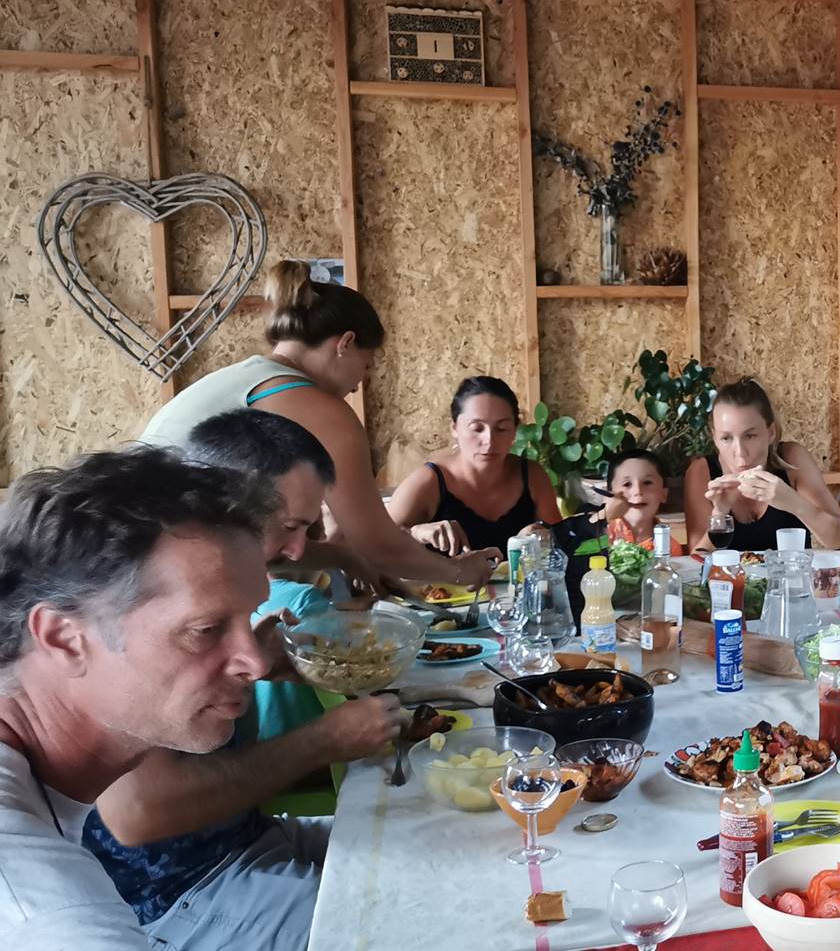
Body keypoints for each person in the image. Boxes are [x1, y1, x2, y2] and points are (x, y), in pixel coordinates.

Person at [81, 412, 402, 951]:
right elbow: (140, 813)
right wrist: (324, 740)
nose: (299, 549)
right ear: (226, 502)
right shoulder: (132, 596)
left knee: (435, 850)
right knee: (410, 921)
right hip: (174, 894)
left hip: (246, 836)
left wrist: (250, 662)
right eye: (291, 525)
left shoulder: (216, 584)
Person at [0, 445, 276, 948]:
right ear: (64, 638)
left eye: (250, 617)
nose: (256, 664)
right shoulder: (54, 919)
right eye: (206, 629)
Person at [140, 258, 496, 587]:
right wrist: (460, 571)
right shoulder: (315, 405)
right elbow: (377, 544)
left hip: (133, 558)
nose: (358, 384)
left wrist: (341, 557)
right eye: (366, 365)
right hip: (163, 572)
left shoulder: (242, 377)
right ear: (345, 343)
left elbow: (245, 536)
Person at [386, 376, 560, 556]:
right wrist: (416, 532)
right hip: (443, 576)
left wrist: (543, 535)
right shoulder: (430, 481)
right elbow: (379, 544)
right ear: (454, 428)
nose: (489, 441)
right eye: (477, 428)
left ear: (514, 430)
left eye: (501, 429)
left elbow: (562, 543)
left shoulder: (532, 476)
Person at [684, 378, 840, 550]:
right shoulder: (701, 472)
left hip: (791, 568)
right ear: (715, 438)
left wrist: (792, 502)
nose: (740, 452)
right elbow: (695, 561)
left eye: (750, 436)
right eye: (726, 438)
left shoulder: (792, 458)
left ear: (771, 433)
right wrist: (720, 514)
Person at [551, 449, 676, 614]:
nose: (638, 491)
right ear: (608, 495)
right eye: (627, 484)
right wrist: (604, 515)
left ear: (664, 494)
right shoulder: (597, 534)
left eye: (647, 483)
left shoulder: (669, 547)